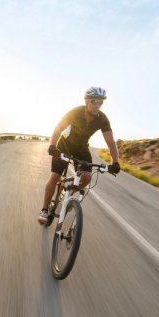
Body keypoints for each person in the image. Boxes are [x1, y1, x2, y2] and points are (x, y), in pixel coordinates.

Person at [38, 87, 121, 225]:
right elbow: (58, 129)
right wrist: (52, 145)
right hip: (65, 145)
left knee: (87, 177)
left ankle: (67, 192)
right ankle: (45, 209)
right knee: (55, 176)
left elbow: (111, 143)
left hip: (81, 148)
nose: (97, 105)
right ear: (87, 100)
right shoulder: (75, 112)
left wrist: (115, 162)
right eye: (94, 101)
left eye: (100, 103)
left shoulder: (102, 119)